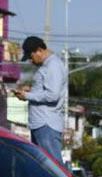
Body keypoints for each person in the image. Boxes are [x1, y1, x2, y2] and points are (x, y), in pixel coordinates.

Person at [14, 36, 66, 166]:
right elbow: (46, 90)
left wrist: (27, 96)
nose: (30, 60)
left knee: (53, 167)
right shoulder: (47, 66)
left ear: (39, 50)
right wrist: (31, 91)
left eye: (31, 56)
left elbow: (53, 95)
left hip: (46, 124)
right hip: (40, 124)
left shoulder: (53, 66)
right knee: (43, 167)